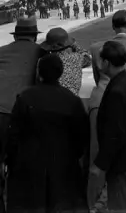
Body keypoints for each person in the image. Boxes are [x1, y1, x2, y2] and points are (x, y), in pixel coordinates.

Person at [6, 53, 89, 213]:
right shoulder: (72, 100)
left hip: (30, 165)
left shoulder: (25, 97)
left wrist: (11, 160)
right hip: (63, 166)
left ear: (39, 72)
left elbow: (14, 134)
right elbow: (82, 136)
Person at [92, 40, 126, 213]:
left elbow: (114, 132)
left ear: (106, 62)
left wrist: (100, 163)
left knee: (124, 205)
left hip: (120, 160)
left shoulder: (117, 90)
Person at [0, 17, 42, 213]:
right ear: (34, 36)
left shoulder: (2, 51)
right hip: (20, 115)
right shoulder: (41, 52)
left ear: (15, 36)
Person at [40, 27, 90, 96]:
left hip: (50, 100)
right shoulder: (77, 58)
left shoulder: (45, 62)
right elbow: (87, 57)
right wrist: (74, 45)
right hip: (72, 100)